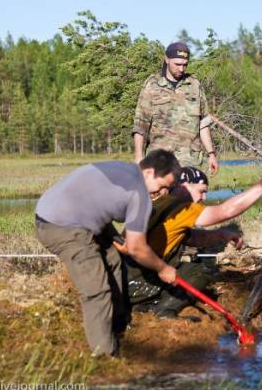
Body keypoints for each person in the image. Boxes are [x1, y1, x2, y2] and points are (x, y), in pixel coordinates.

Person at [34, 150, 180, 357]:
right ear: (148, 172)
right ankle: (105, 356)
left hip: (59, 212)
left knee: (113, 259)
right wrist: (163, 268)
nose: (163, 193)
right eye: (162, 185)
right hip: (61, 226)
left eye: (169, 188)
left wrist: (118, 239)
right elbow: (137, 249)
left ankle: (119, 326)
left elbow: (97, 196)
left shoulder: (124, 168)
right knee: (97, 291)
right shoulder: (140, 195)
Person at [117, 166, 262, 319]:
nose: (203, 198)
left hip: (124, 277)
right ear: (185, 185)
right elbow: (225, 211)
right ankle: (163, 310)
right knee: (200, 271)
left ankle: (143, 303)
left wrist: (221, 234)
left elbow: (190, 237)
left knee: (187, 268)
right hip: (136, 282)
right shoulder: (182, 207)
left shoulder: (161, 202)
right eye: (201, 191)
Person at [132, 42, 219, 175]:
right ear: (166, 59)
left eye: (185, 64)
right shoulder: (152, 85)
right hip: (159, 163)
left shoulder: (194, 85)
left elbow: (203, 124)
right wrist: (139, 158)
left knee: (191, 196)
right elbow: (140, 125)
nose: (181, 69)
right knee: (160, 196)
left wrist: (211, 154)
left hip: (190, 162)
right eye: (177, 64)